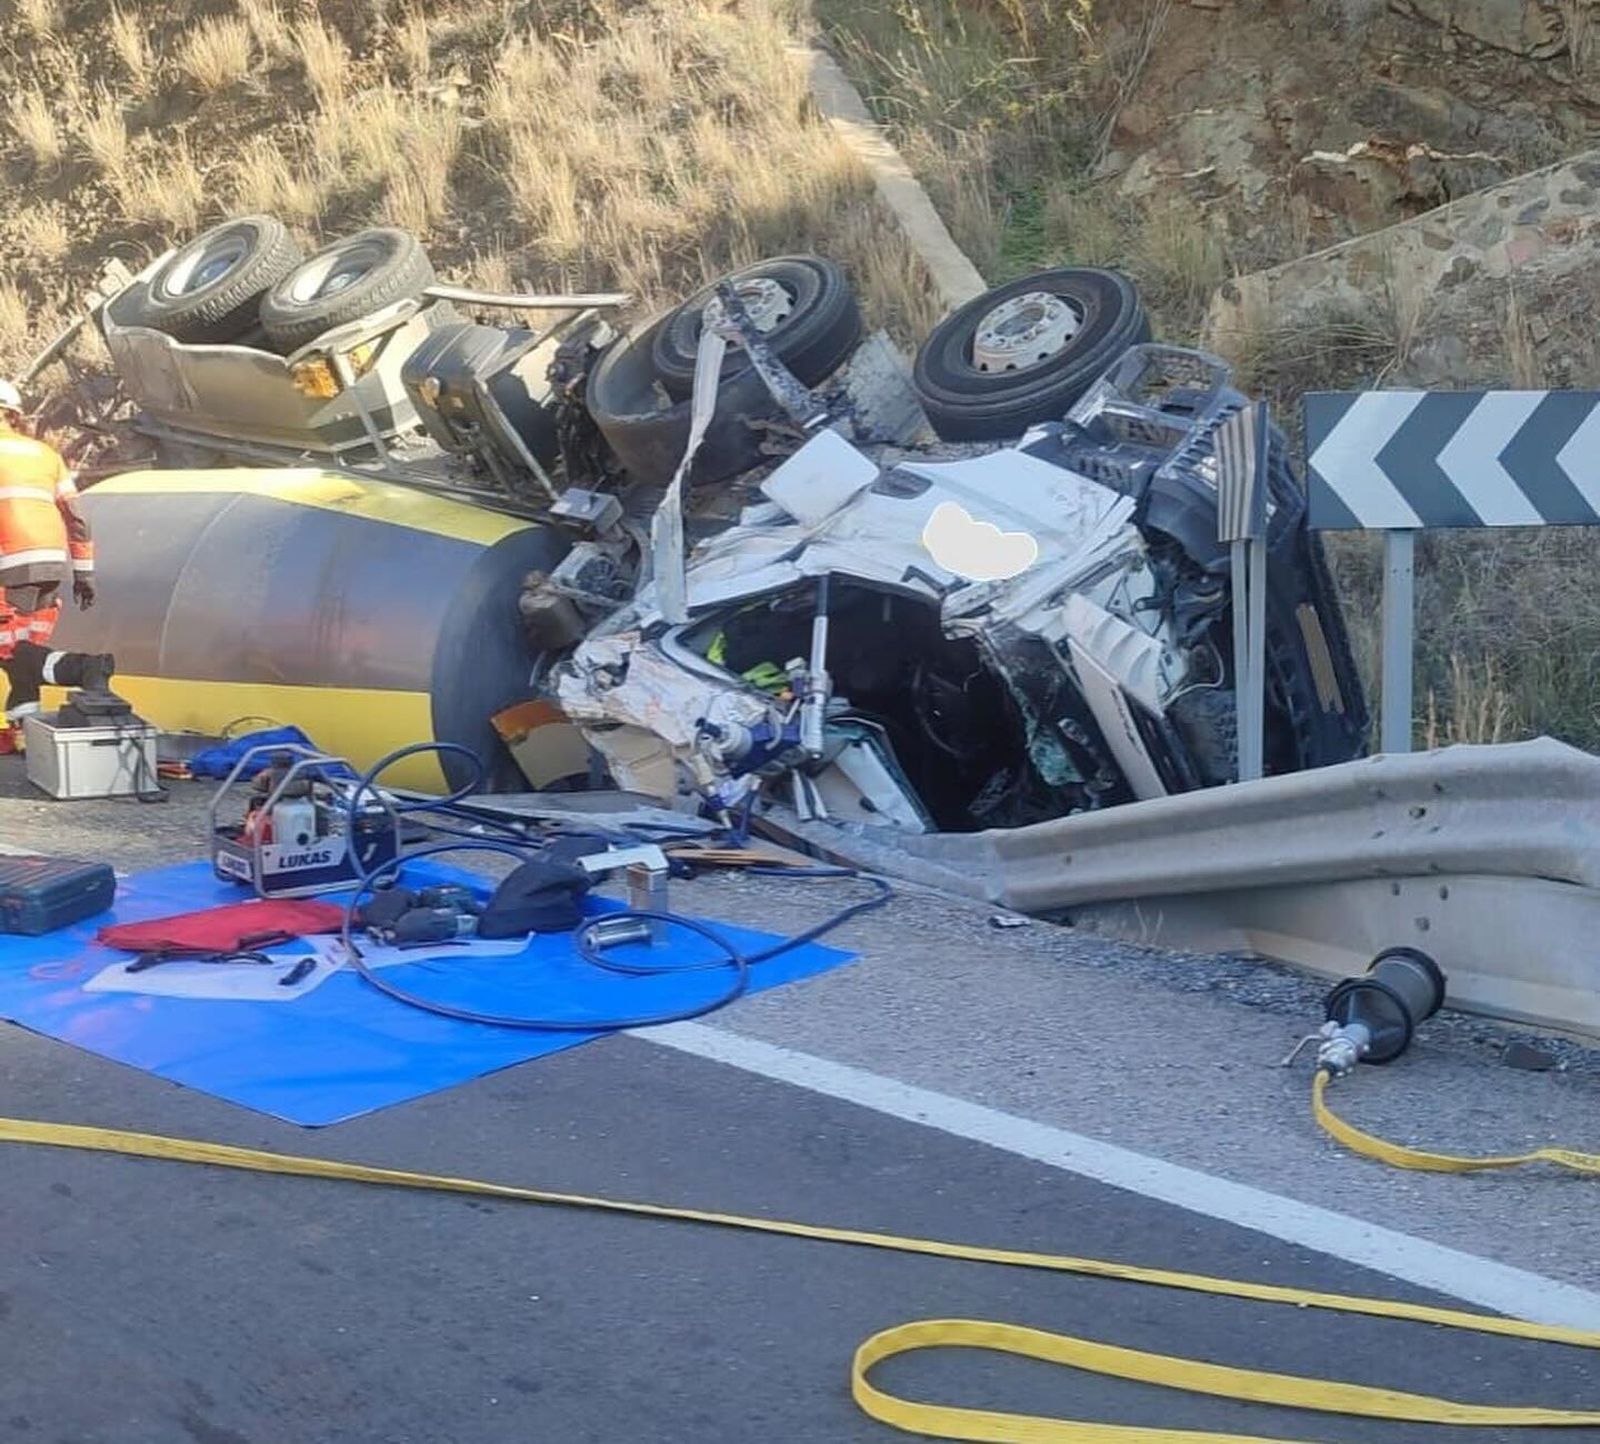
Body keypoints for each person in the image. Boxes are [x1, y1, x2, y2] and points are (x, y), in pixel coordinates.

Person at [0, 379, 114, 754]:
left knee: (9, 651)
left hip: (8, 562)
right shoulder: (46, 455)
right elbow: (77, 516)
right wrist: (84, 573)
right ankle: (26, 732)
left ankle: (85, 668)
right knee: (22, 650)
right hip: (50, 560)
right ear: (14, 415)